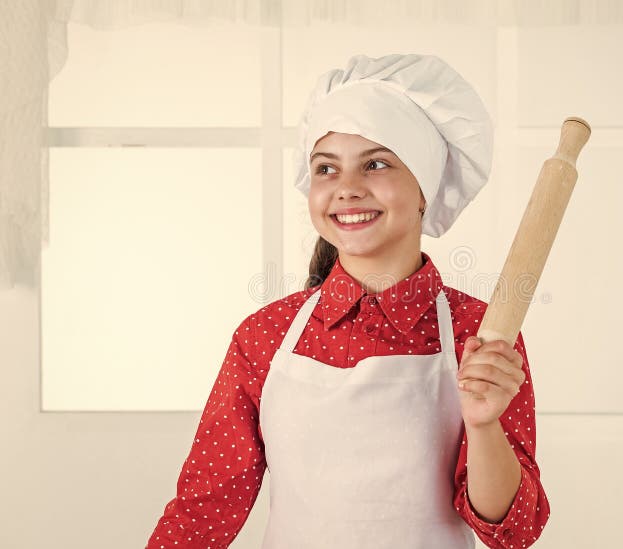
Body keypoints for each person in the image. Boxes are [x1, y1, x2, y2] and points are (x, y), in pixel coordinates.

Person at [146, 53, 550, 549]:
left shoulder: (482, 333)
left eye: (376, 164)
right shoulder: (265, 337)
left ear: (424, 189)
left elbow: (513, 532)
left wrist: (484, 424)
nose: (348, 189)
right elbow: (205, 509)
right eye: (326, 169)